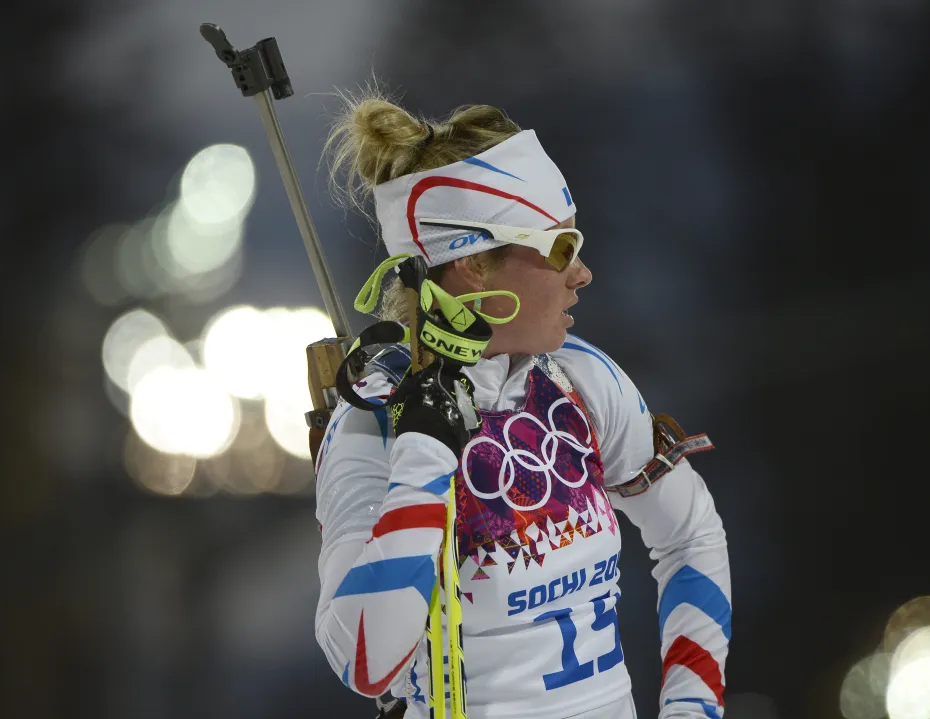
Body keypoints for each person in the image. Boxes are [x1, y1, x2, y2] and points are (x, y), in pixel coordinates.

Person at [313, 91, 731, 719]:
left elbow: (692, 537)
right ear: (476, 262)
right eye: (559, 248)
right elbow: (365, 660)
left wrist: (693, 706)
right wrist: (424, 454)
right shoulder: (373, 419)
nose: (583, 272)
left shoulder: (580, 379)